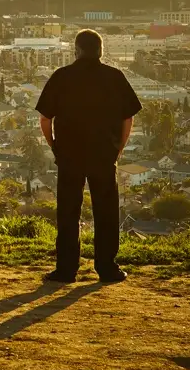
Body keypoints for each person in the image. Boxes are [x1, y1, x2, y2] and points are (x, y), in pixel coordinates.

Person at [36, 29, 142, 284]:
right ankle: (107, 268)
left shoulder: (62, 77)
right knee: (105, 212)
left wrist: (54, 146)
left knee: (68, 212)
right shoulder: (114, 77)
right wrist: (119, 148)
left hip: (69, 154)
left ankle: (66, 270)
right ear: (100, 51)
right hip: (103, 154)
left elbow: (44, 119)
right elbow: (128, 117)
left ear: (76, 50)